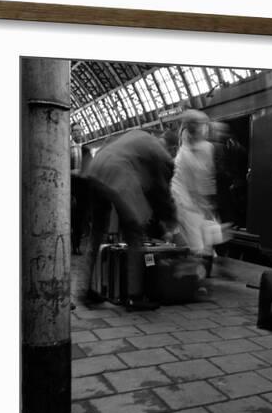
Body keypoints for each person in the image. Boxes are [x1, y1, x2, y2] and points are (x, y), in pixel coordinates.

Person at [79, 130, 178, 310]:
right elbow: (161, 192)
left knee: (97, 233)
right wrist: (170, 221)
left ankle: (86, 291)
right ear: (173, 148)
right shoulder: (164, 157)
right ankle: (134, 296)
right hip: (118, 173)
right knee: (134, 234)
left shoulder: (140, 137)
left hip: (95, 168)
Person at [171, 110, 231, 276]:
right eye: (203, 126)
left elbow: (206, 178)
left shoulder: (204, 148)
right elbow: (196, 182)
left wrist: (207, 205)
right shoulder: (186, 154)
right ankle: (193, 277)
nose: (205, 129)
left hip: (193, 200)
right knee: (198, 242)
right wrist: (205, 206)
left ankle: (198, 276)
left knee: (205, 239)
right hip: (185, 199)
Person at [70, 122, 92, 255]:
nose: (78, 133)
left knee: (81, 217)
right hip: (72, 185)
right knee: (72, 216)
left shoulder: (86, 148)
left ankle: (76, 245)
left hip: (84, 187)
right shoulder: (68, 148)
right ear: (71, 133)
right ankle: (73, 243)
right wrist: (75, 172)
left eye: (80, 130)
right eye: (75, 131)